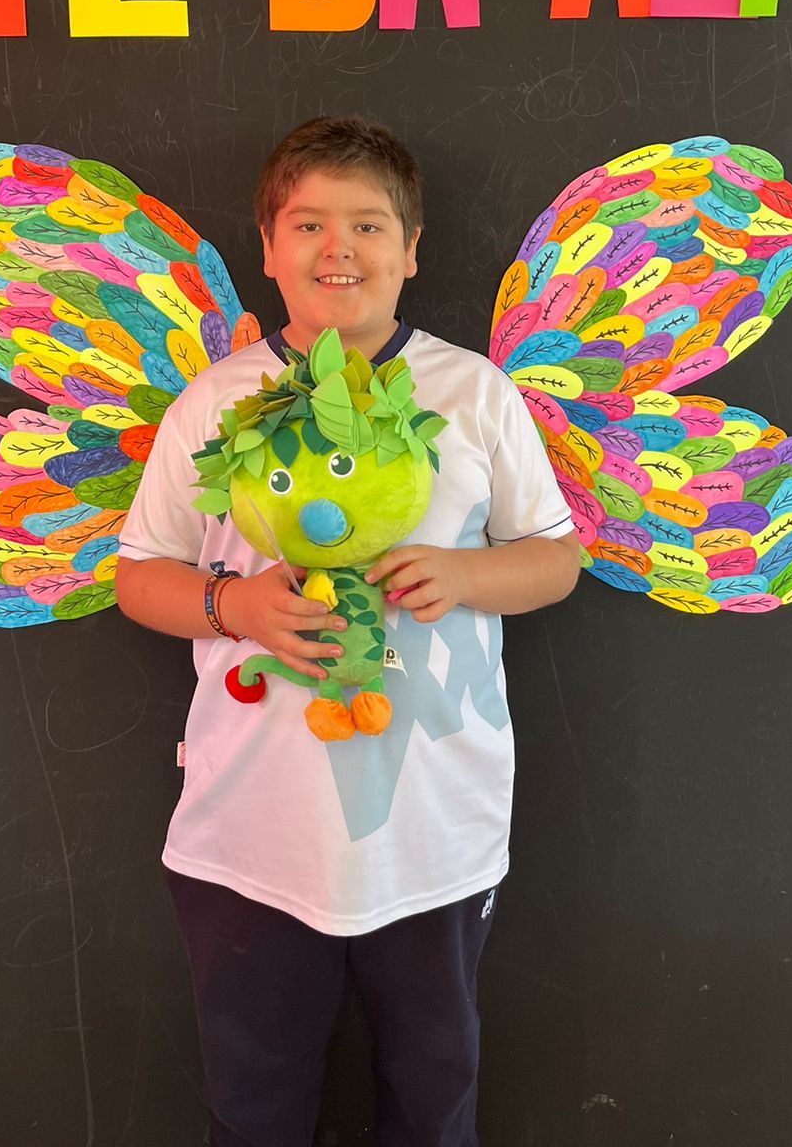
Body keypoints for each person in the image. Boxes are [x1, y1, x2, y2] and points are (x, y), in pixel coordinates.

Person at [115, 115, 580, 1147]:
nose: (340, 248)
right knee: (253, 1102)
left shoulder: (474, 396)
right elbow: (138, 575)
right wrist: (234, 606)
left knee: (433, 1096)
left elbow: (556, 558)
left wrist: (464, 573)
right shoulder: (214, 402)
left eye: (369, 225)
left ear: (412, 249)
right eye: (309, 223)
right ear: (267, 246)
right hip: (250, 833)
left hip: (435, 828)